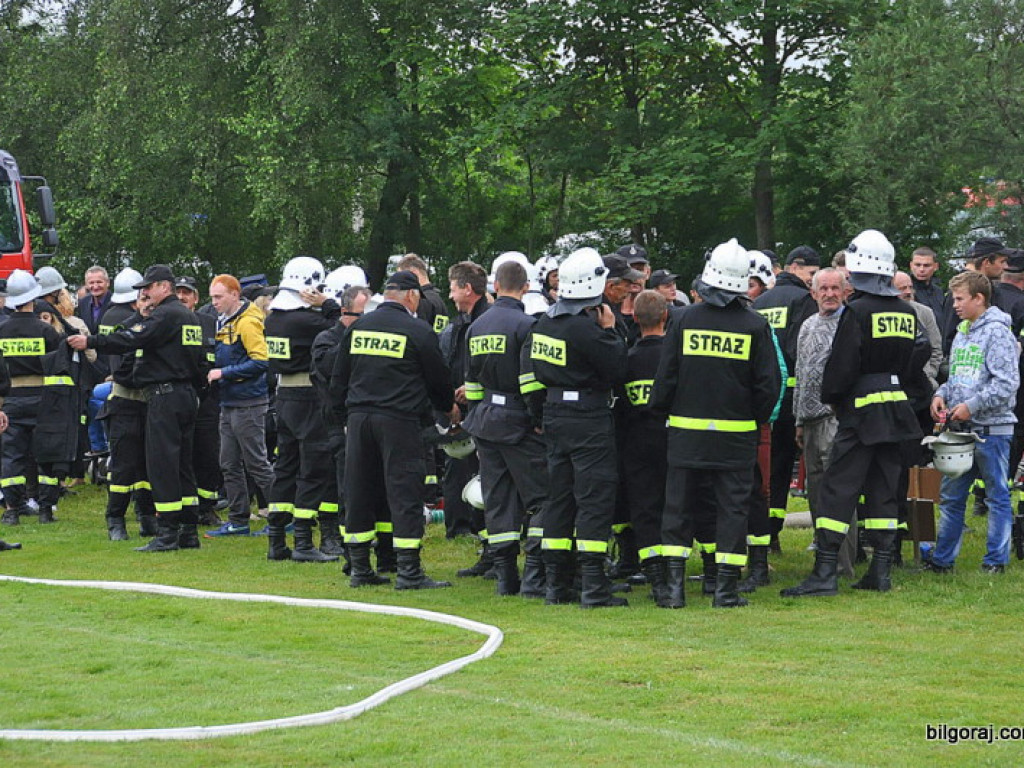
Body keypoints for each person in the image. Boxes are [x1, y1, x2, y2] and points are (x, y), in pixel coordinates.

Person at [781, 230, 923, 597]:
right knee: (883, 490)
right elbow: (915, 360)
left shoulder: (857, 311)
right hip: (895, 411)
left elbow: (842, 364)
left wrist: (833, 397)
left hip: (859, 413)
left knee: (836, 489)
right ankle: (880, 571)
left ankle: (825, 572)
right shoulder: (906, 311)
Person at [651, 239, 782, 608]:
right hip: (736, 436)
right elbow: (768, 386)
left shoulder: (683, 319)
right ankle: (725, 590)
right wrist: (752, 419)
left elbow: (666, 378)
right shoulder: (755, 325)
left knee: (677, 508)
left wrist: (662, 412)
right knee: (732, 509)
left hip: (686, 433)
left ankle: (674, 590)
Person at [330, 269, 460, 590]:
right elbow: (438, 378)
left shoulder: (358, 327)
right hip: (399, 420)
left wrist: (343, 418)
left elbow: (338, 379)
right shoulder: (418, 330)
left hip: (359, 419)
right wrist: (449, 408)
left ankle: (360, 567)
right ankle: (409, 571)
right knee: (404, 491)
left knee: (359, 491)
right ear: (412, 296)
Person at [520, 247, 630, 608]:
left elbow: (534, 376)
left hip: (554, 414)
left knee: (560, 499)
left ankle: (556, 584)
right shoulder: (587, 329)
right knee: (594, 498)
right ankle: (594, 586)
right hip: (588, 418)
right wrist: (611, 332)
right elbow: (618, 369)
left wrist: (539, 415)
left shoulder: (544, 323)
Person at [69, 264, 206, 552]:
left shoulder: (166, 314)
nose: (145, 294)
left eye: (149, 288)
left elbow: (133, 338)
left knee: (163, 465)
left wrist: (90, 341)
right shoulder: (189, 317)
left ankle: (167, 533)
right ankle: (189, 531)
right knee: (183, 465)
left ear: (164, 287)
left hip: (164, 396)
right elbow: (199, 363)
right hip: (186, 395)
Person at [462, 258, 548, 596]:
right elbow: (531, 383)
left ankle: (504, 578)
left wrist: (477, 415)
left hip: (486, 421)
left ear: (495, 286)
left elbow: (471, 385)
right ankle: (535, 576)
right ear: (526, 287)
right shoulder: (528, 326)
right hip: (519, 423)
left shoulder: (476, 326)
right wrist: (538, 420)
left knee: (498, 501)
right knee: (543, 497)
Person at [928, 271, 1018, 573]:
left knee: (996, 496)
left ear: (979, 299)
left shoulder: (998, 333)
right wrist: (941, 395)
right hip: (961, 431)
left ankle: (995, 561)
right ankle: (942, 560)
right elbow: (958, 377)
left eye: (959, 299)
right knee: (951, 497)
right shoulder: (962, 332)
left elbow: (1007, 382)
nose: (954, 305)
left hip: (993, 429)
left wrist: (972, 405)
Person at [262, 256, 340, 563]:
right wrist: (328, 304)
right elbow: (342, 331)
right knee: (313, 469)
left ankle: (276, 540)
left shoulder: (273, 318)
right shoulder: (308, 322)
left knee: (285, 467)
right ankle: (304, 541)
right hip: (309, 396)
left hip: (284, 397)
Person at [753, 246, 820, 550]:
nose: (813, 280)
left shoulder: (760, 302)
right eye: (811, 273)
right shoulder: (804, 300)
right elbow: (802, 351)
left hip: (767, 396)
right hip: (794, 396)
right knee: (796, 468)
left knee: (769, 468)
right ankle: (778, 532)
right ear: (795, 267)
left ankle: (767, 532)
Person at [794, 268, 857, 577]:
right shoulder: (807, 325)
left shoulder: (850, 323)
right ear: (813, 293)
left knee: (837, 491)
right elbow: (801, 371)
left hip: (835, 417)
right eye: (824, 289)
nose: (830, 294)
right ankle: (824, 558)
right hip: (809, 420)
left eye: (835, 288)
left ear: (845, 292)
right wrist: (798, 419)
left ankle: (843, 564)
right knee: (815, 490)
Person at [205, 273, 275, 538]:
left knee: (256, 463)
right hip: (230, 400)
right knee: (229, 463)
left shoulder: (247, 322)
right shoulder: (226, 320)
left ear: (235, 295)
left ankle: (282, 516)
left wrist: (224, 373)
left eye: (219, 297)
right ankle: (238, 520)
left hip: (248, 402)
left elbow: (261, 361)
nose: (214, 302)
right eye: (212, 297)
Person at [311, 271, 373, 565]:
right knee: (339, 485)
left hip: (367, 421)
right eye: (363, 316)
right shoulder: (326, 340)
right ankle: (335, 538)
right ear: (345, 313)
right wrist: (355, 340)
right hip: (336, 423)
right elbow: (329, 370)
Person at [0, 271, 64, 526]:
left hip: (10, 400)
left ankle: (12, 510)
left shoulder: (1, 330)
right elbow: (59, 368)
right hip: (43, 398)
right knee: (45, 454)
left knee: (11, 456)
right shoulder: (46, 331)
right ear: (32, 298)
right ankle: (46, 510)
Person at [619, 289, 671, 602]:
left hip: (636, 445)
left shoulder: (626, 360)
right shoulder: (676, 358)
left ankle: (655, 575)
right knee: (677, 506)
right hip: (674, 442)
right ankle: (680, 571)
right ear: (666, 315)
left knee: (644, 509)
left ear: (635, 318)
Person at [441, 261, 489, 554]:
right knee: (457, 465)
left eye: (453, 289)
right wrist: (449, 401)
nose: (450, 296)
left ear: (467, 289)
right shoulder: (457, 325)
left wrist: (474, 391)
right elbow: (449, 363)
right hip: (461, 410)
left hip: (486, 411)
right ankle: (460, 525)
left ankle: (487, 534)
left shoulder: (487, 322)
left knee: (487, 471)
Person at [174, 276, 221, 527]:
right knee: (180, 453)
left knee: (208, 453)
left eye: (187, 293)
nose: (182, 297)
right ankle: (181, 507)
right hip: (179, 396)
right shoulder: (167, 321)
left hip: (208, 398)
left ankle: (207, 507)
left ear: (196, 298)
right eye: (178, 292)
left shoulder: (210, 323)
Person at [396, 253, 449, 334]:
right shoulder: (438, 299)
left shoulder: (421, 300)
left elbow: (417, 332)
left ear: (414, 273)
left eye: (401, 276)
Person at [909, 246, 947, 329]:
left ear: (936, 266)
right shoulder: (905, 291)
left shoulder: (938, 292)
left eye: (927, 265)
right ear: (911, 265)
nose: (921, 269)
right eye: (917, 265)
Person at [75, 265, 113, 335]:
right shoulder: (83, 303)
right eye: (91, 283)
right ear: (86, 285)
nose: (95, 287)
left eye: (99, 282)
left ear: (108, 283)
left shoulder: (116, 303)